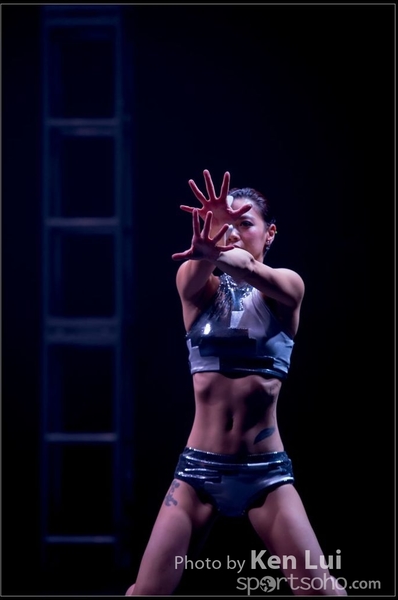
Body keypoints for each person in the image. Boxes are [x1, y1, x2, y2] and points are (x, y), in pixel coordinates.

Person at [126, 169, 346, 596]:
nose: (232, 233)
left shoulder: (286, 288)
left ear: (270, 233)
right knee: (147, 592)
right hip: (198, 473)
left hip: (265, 475)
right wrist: (208, 250)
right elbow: (199, 270)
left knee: (320, 592)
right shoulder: (196, 287)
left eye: (244, 223)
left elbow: (246, 269)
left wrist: (218, 249)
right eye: (223, 224)